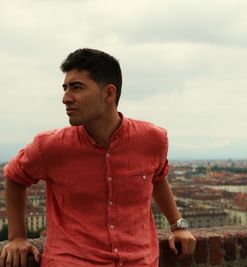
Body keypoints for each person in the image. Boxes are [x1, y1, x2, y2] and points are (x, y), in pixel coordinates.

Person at [1, 48, 196, 267]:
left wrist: (179, 226)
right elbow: (15, 176)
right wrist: (16, 237)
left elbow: (157, 178)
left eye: (76, 88)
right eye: (65, 88)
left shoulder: (152, 139)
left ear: (108, 93)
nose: (66, 98)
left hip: (140, 261)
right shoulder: (49, 146)